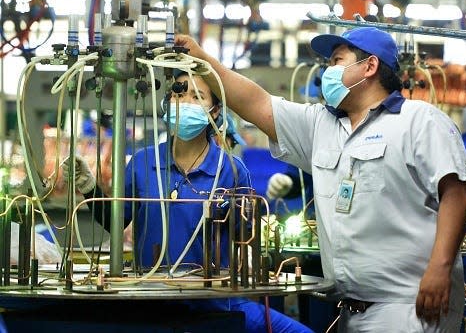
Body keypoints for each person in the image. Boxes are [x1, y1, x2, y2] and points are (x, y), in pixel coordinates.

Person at [174, 26, 466, 332]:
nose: (326, 70)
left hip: (409, 306)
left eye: (336, 60)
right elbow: (258, 103)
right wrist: (203, 61)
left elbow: (457, 192)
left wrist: (440, 267)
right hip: (350, 309)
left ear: (369, 66)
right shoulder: (322, 125)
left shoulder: (419, 121)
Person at [64, 70, 313, 333]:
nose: (184, 102)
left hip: (215, 304)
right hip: (151, 300)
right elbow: (115, 222)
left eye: (198, 96)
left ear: (215, 112)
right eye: (179, 93)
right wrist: (89, 188)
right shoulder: (143, 162)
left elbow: (245, 238)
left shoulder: (230, 169)